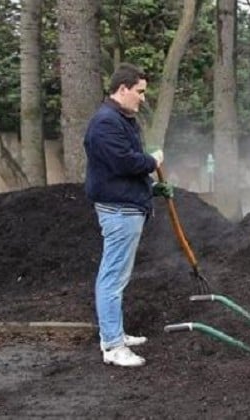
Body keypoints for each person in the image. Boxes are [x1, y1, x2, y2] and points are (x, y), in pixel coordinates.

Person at [84, 63, 173, 367]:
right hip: (119, 211)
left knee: (117, 276)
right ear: (123, 89)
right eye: (140, 91)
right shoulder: (106, 123)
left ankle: (116, 334)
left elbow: (121, 169)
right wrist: (153, 160)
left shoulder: (120, 119)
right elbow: (125, 163)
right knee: (112, 277)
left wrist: (151, 190)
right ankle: (112, 345)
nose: (142, 98)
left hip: (127, 206)